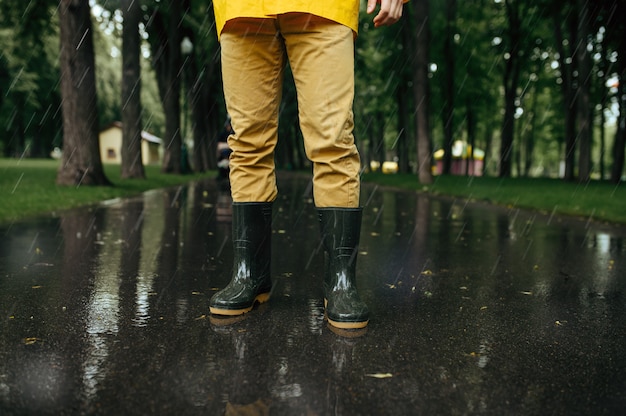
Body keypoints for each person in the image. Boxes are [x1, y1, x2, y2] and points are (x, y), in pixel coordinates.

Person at [209, 0, 405, 330]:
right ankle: (249, 273)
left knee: (334, 141)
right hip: (241, 7)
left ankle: (341, 281)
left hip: (325, 6)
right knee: (246, 143)